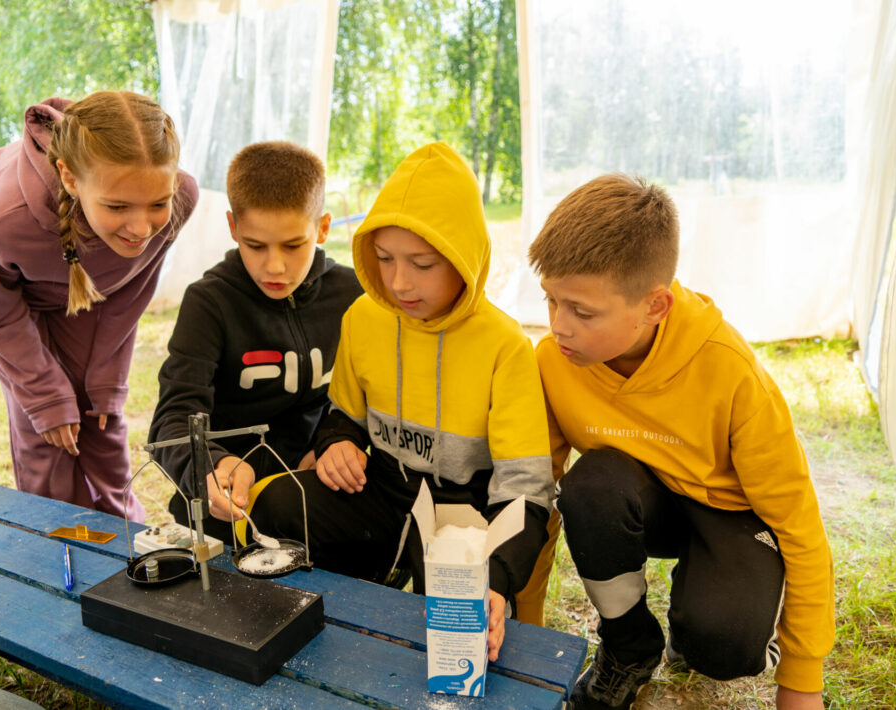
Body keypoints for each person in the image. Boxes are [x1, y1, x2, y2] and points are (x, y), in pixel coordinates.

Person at [525, 174, 834, 710]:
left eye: (583, 311)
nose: (559, 327)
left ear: (655, 306)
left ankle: (699, 618)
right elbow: (534, 493)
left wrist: (802, 684)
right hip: (641, 501)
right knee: (589, 484)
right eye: (551, 300)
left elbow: (802, 529)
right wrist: (524, 629)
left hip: (731, 513)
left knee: (722, 644)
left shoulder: (730, 370)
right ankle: (629, 648)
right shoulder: (553, 361)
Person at [249, 141, 554, 662]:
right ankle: (355, 602)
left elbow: (526, 490)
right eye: (385, 259)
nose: (398, 282)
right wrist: (338, 443)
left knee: (456, 638)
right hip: (384, 489)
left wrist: (496, 578)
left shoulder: (505, 346)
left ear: (465, 259)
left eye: (423, 262)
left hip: (466, 513)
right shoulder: (364, 318)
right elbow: (342, 415)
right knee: (277, 502)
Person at [0, 91, 198, 522]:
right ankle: (58, 530)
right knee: (46, 422)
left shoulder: (180, 201)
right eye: (118, 206)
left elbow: (127, 298)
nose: (141, 227)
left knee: (100, 414)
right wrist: (45, 397)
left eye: (157, 203)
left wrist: (105, 383)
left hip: (87, 273)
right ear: (71, 179)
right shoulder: (8, 223)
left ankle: (121, 531)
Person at [147, 141, 362, 543]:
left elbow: (375, 400)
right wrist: (211, 465)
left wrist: (338, 440)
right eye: (255, 245)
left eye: (294, 245)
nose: (274, 266)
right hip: (227, 504)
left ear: (323, 228)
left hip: (315, 490)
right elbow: (170, 421)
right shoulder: (209, 302)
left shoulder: (354, 295)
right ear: (233, 227)